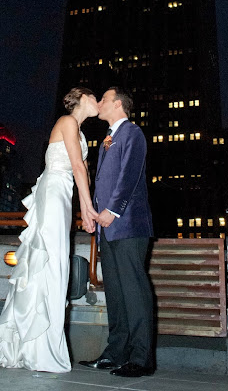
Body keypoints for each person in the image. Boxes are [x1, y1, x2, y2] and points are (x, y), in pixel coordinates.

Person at [0, 87, 99, 373]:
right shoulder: (68, 121)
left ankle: (38, 341)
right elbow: (76, 165)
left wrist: (87, 207)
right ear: (83, 99)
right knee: (47, 260)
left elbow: (85, 171)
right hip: (53, 192)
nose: (98, 101)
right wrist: (86, 209)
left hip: (63, 195)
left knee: (57, 263)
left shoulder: (82, 132)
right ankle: (34, 345)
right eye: (94, 97)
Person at [79, 87, 154, 378]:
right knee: (116, 294)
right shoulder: (107, 139)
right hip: (107, 229)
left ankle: (141, 358)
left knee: (133, 291)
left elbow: (129, 175)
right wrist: (95, 217)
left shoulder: (133, 133)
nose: (99, 103)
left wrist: (114, 210)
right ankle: (116, 353)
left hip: (128, 224)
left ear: (118, 104)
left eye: (103, 100)